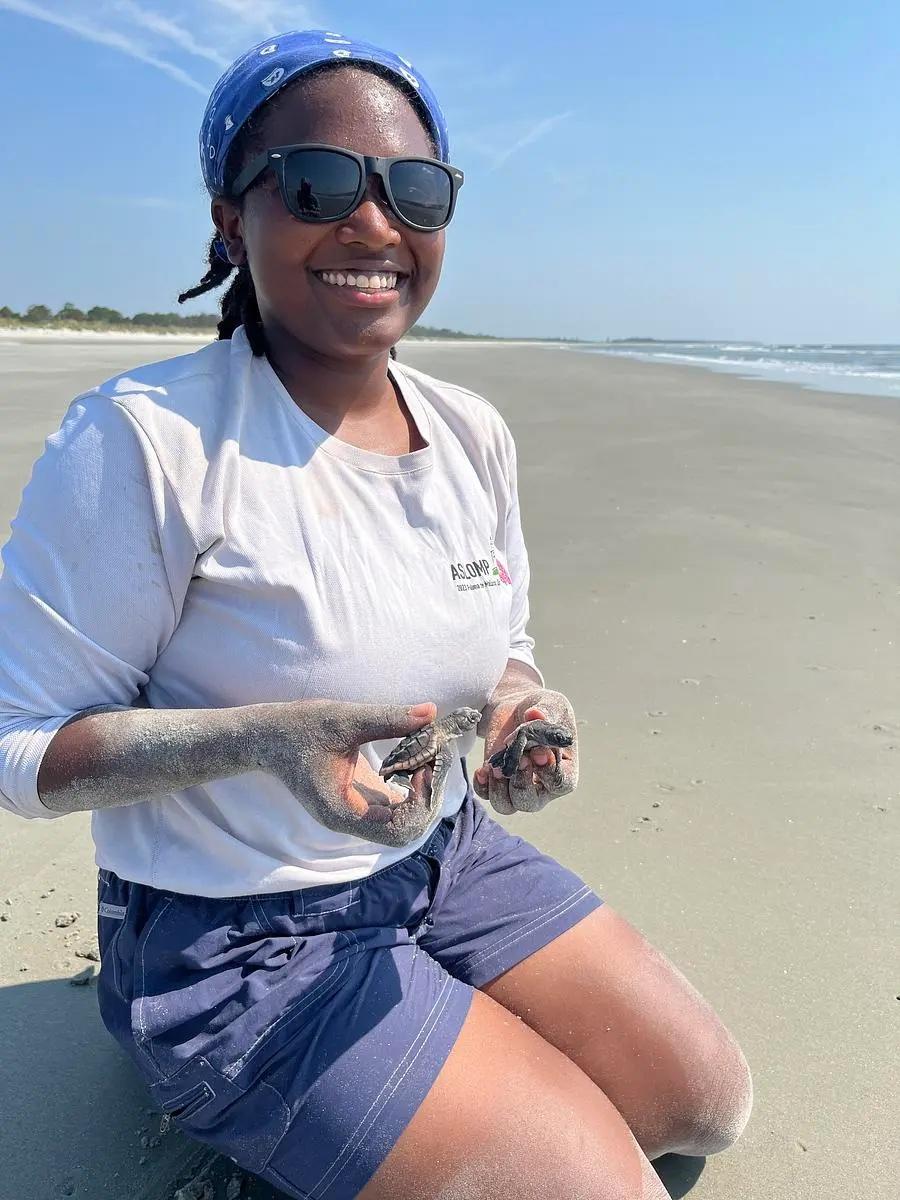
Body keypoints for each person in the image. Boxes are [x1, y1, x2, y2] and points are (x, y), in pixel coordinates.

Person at [0, 29, 752, 1200]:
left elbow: (505, 649)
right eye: (318, 183)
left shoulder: (470, 433)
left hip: (440, 857)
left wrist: (521, 712)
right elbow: (21, 752)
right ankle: (225, 1096)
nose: (372, 225)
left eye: (414, 189)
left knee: (702, 1102)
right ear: (229, 217)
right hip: (239, 935)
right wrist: (262, 741)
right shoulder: (148, 442)